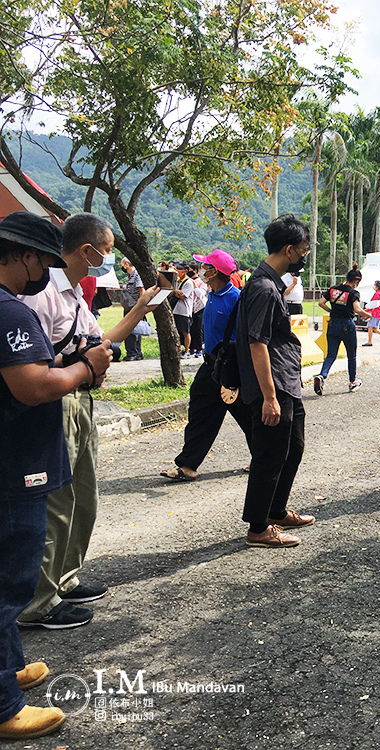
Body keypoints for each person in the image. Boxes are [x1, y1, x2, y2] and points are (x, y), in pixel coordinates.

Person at [0, 212, 112, 740]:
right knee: (9, 580)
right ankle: (4, 706)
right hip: (11, 465)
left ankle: (10, 665)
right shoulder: (9, 312)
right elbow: (35, 385)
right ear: (22, 255)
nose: (45, 270)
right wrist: (86, 369)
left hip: (12, 455)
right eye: (42, 260)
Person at [18, 213, 157, 630]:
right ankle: (38, 603)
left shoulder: (75, 293)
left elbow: (102, 342)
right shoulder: (40, 295)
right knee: (56, 504)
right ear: (87, 250)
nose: (109, 257)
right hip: (56, 403)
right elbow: (36, 365)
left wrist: (138, 309)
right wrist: (80, 362)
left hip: (81, 400)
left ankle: (64, 577)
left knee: (83, 496)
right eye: (108, 249)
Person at [236, 213, 315, 548]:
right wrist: (268, 396)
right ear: (289, 250)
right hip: (274, 385)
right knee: (270, 454)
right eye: (303, 250)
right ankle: (258, 527)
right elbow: (257, 343)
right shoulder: (264, 288)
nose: (305, 256)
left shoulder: (270, 284)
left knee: (292, 447)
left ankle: (276, 510)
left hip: (285, 380)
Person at [160, 249, 253, 481]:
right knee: (200, 411)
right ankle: (188, 465)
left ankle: (264, 455)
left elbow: (245, 336)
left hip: (231, 367)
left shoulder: (236, 299)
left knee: (248, 415)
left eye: (205, 267)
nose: (201, 270)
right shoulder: (211, 294)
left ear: (215, 272)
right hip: (210, 365)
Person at [314, 264, 371, 395]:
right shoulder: (353, 293)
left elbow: (321, 302)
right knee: (351, 355)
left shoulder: (333, 289)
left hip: (332, 323)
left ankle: (322, 376)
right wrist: (368, 315)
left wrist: (331, 310)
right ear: (356, 281)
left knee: (331, 354)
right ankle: (352, 382)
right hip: (347, 325)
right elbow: (357, 309)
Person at [120, 258, 144, 361]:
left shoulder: (136, 275)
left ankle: (133, 353)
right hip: (130, 306)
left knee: (132, 331)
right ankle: (136, 352)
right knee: (133, 330)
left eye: (122, 265)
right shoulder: (131, 275)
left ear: (126, 264)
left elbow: (141, 290)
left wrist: (141, 306)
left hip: (134, 307)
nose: (122, 267)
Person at [172, 261, 195, 356]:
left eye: (179, 269)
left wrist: (175, 292)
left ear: (185, 271)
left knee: (186, 332)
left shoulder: (188, 282)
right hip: (175, 310)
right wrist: (176, 292)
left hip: (184, 311)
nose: (177, 271)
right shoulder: (177, 282)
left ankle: (187, 350)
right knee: (176, 331)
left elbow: (182, 295)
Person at [362, 280, 380, 347]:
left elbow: (374, 304)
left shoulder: (377, 294)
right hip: (377, 313)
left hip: (375, 313)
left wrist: (367, 308)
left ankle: (369, 342)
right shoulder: (379, 293)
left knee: (370, 327)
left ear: (377, 286)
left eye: (375, 285)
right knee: (375, 328)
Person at [188, 264, 207, 358]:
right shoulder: (187, 281)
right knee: (190, 328)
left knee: (197, 328)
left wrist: (195, 285)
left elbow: (201, 294)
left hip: (198, 308)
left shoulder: (201, 282)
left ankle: (199, 348)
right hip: (190, 307)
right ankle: (192, 347)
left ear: (195, 270)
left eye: (190, 269)